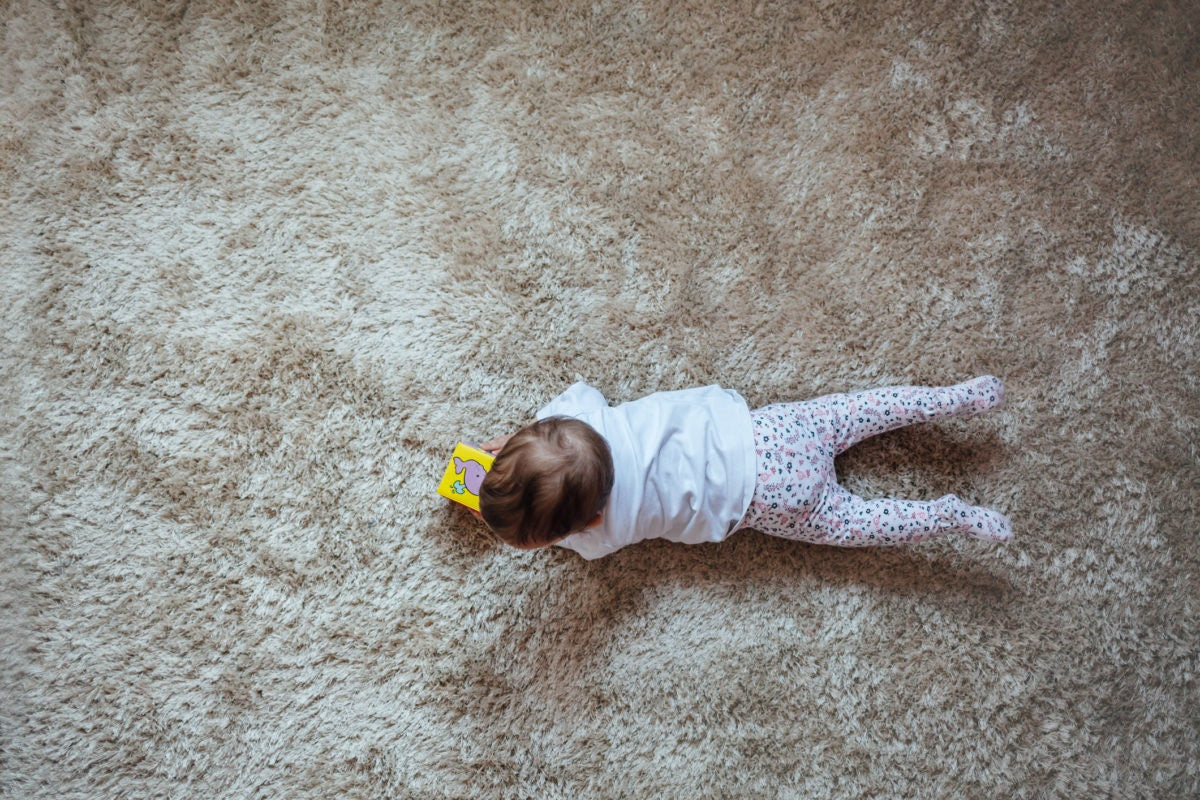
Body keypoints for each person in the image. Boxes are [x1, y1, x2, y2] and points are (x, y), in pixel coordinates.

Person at [474, 376, 1011, 559]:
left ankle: (947, 517)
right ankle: (950, 398)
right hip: (766, 431)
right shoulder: (572, 418)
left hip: (763, 501)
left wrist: (531, 529)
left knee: (858, 524)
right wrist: (513, 444)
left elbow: (562, 537)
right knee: (864, 408)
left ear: (584, 523)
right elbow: (573, 400)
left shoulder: (596, 537)